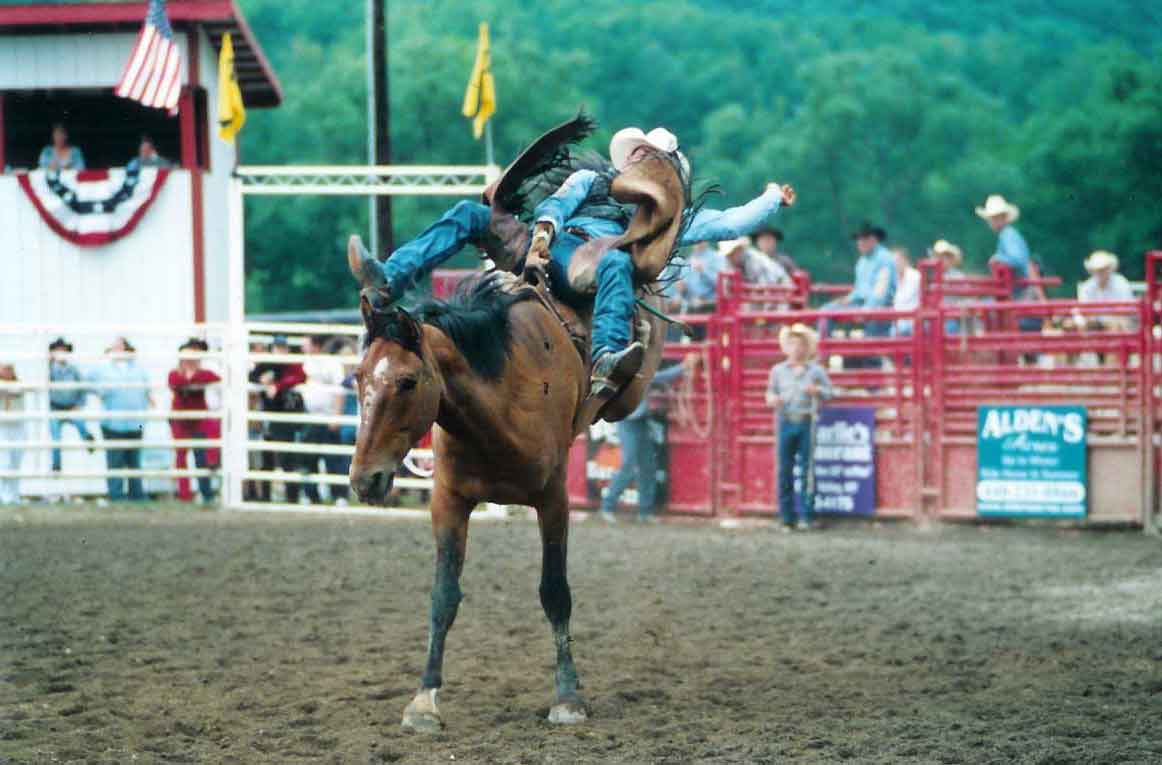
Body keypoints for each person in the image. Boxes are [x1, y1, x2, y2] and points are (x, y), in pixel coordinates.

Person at [351, 124, 795, 397]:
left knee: (617, 263)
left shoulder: (664, 222)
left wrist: (773, 197)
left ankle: (605, 354)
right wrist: (543, 233)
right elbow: (561, 202)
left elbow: (731, 222)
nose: (641, 162)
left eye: (651, 159)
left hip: (590, 262)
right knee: (471, 214)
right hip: (547, 242)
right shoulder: (591, 178)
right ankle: (388, 279)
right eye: (639, 156)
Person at [599, 354, 698, 523]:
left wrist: (683, 367)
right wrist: (684, 366)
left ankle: (642, 511)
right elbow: (661, 377)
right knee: (630, 465)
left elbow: (660, 377)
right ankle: (609, 507)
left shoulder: (633, 372)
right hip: (630, 422)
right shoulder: (636, 373)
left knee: (646, 466)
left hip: (637, 420)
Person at [765, 324, 834, 531]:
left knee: (808, 470)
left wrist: (818, 390)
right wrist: (772, 399)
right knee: (784, 470)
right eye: (792, 343)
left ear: (807, 347)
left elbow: (830, 393)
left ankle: (807, 516)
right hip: (785, 419)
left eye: (801, 344)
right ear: (785, 347)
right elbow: (769, 393)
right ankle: (786, 517)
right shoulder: (777, 371)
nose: (796, 348)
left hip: (807, 420)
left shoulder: (816, 371)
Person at [88, 337, 152, 502]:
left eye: (120, 346)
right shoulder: (102, 369)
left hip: (136, 421)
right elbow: (87, 383)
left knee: (135, 461)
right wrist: (100, 391)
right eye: (114, 347)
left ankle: (137, 495)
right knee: (114, 461)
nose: (117, 350)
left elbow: (147, 391)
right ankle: (116, 496)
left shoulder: (139, 369)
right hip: (112, 422)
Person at [249, 334, 310, 503]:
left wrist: (277, 385)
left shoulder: (291, 365)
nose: (280, 351)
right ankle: (265, 497)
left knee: (287, 459)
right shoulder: (266, 364)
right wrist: (262, 380)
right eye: (277, 348)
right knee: (267, 459)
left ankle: (292, 497)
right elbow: (252, 375)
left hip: (286, 418)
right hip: (269, 417)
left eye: (283, 348)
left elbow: (300, 376)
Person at [827, 222, 896, 368]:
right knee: (826, 312)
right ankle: (825, 354)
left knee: (871, 344)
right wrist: (848, 300)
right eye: (859, 239)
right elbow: (859, 290)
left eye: (864, 238)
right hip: (860, 304)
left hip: (880, 307)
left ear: (874, 240)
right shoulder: (862, 262)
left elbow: (880, 291)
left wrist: (866, 310)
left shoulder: (885, 259)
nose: (860, 242)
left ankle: (873, 384)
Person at [168, 338, 221, 504]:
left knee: (200, 457)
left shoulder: (203, 373)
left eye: (194, 358)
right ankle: (184, 495)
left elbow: (214, 378)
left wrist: (191, 381)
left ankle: (206, 493)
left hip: (197, 418)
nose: (190, 362)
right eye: (187, 358)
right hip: (180, 419)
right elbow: (175, 383)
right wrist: (193, 382)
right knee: (181, 456)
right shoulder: (175, 373)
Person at [300, 335, 347, 504]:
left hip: (328, 417)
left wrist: (336, 415)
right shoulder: (305, 362)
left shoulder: (331, 363)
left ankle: (339, 495)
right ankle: (311, 495)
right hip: (310, 417)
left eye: (306, 345)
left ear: (316, 346)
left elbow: (339, 389)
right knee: (308, 458)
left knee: (333, 458)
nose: (302, 349)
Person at [47, 337, 95, 472]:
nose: (61, 353)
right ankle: (56, 465)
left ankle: (88, 440)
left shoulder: (73, 369)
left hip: (71, 406)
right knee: (56, 438)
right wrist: (49, 361)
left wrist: (79, 404)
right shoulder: (48, 368)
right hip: (55, 408)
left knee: (81, 424)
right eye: (58, 350)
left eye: (63, 350)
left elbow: (83, 387)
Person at [670, 241, 724, 312]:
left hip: (712, 306)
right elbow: (682, 288)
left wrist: (703, 271)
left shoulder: (716, 258)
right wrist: (680, 291)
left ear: (706, 241)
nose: (697, 242)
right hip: (691, 306)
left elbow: (722, 285)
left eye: (700, 240)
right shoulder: (688, 261)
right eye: (695, 240)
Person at [0, 363, 25, 505]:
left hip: (17, 426)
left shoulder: (20, 385)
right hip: (1, 427)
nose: (7, 371)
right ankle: (4, 496)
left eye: (9, 368)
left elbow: (17, 391)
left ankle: (14, 496)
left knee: (16, 463)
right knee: (4, 462)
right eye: (4, 368)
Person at [719, 236, 791, 286]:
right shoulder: (728, 262)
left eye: (733, 252)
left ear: (740, 249)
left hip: (779, 287)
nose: (731, 257)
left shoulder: (754, 260)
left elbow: (765, 286)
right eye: (729, 254)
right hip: (764, 292)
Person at [932, 240, 967, 335]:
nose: (942, 259)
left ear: (951, 259)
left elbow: (965, 298)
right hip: (933, 317)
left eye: (945, 257)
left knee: (948, 328)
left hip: (951, 317)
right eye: (939, 257)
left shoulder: (958, 276)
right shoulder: (931, 276)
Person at [892, 247, 921, 336]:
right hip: (896, 320)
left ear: (905, 261)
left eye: (897, 260)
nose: (895, 264)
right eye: (892, 261)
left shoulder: (916, 277)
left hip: (913, 320)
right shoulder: (892, 278)